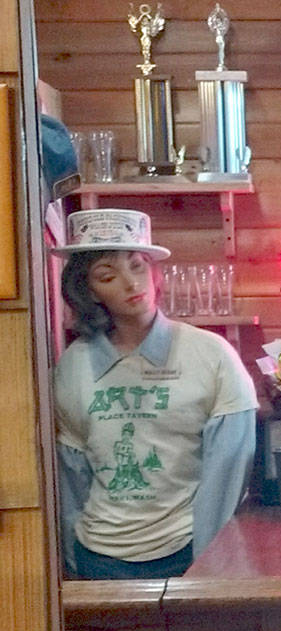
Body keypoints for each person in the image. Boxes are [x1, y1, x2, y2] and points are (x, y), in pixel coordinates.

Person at [52, 209, 257, 580]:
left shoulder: (211, 355)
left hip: (185, 551)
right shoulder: (72, 366)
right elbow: (72, 477)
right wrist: (72, 562)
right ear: (87, 291)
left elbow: (228, 471)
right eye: (107, 275)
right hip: (97, 557)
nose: (132, 284)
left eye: (137, 265)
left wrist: (207, 563)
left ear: (154, 269)